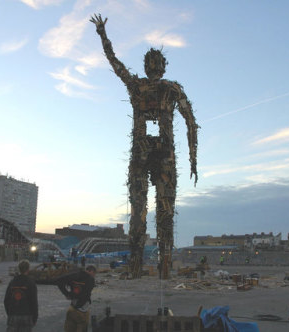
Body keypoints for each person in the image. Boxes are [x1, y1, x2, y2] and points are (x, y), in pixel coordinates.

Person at [91, 14, 199, 279]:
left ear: (153, 66)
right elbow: (191, 124)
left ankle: (143, 267)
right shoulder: (169, 90)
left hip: (147, 155)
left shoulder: (141, 87)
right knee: (159, 212)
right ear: (162, 67)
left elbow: (115, 64)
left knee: (145, 212)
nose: (154, 67)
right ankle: (156, 268)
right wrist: (194, 159)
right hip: (160, 156)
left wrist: (103, 36)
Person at [57, 265, 97, 332]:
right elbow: (85, 294)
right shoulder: (90, 279)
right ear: (91, 271)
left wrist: (67, 294)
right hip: (82, 311)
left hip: (72, 309)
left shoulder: (75, 276)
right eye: (94, 274)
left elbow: (59, 281)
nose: (94, 276)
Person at [4, 260, 38, 332]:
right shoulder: (31, 282)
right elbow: (34, 302)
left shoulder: (12, 282)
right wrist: (34, 318)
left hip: (13, 315)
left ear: (19, 269)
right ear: (28, 269)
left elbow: (6, 300)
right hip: (27, 316)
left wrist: (10, 313)